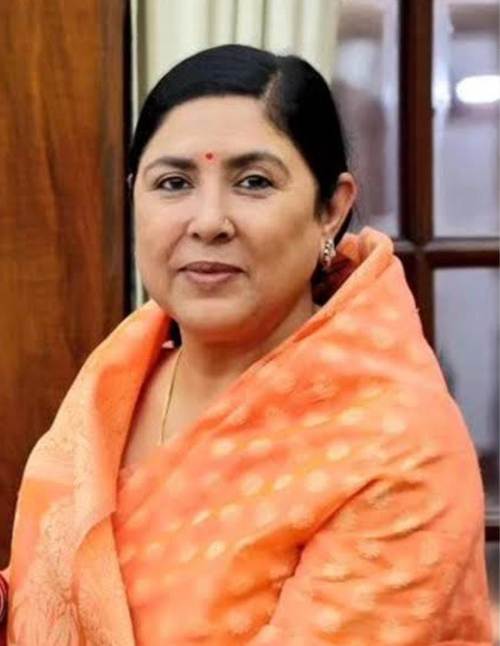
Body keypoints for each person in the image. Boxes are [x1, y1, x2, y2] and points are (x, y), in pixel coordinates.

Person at [0, 44, 492, 645]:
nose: (208, 221)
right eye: (174, 183)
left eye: (253, 182)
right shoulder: (116, 377)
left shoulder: (398, 449)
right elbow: (51, 592)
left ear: (331, 210)